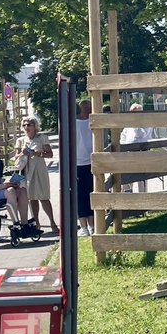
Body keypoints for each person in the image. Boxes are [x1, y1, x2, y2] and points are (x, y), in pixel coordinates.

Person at [16, 117, 56, 233]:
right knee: (31, 197)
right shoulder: (20, 140)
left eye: (29, 125)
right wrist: (21, 154)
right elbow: (15, 157)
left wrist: (36, 153)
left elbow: (49, 154)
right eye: (24, 125)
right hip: (27, 170)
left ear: (35, 126)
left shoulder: (42, 138)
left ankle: (52, 222)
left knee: (44, 196)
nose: (26, 127)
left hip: (39, 169)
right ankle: (36, 223)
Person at [120, 103, 152, 193]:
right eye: (131, 113)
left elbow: (141, 134)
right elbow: (123, 135)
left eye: (135, 113)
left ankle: (142, 198)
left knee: (141, 178)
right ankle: (127, 196)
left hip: (142, 152)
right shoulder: (128, 124)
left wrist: (136, 123)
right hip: (129, 153)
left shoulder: (146, 123)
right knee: (127, 176)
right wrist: (122, 148)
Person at [76, 98, 95, 236]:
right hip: (77, 163)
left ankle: (92, 224)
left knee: (91, 193)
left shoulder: (93, 122)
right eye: (87, 108)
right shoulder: (73, 123)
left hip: (91, 161)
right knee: (80, 196)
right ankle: (83, 225)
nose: (89, 111)